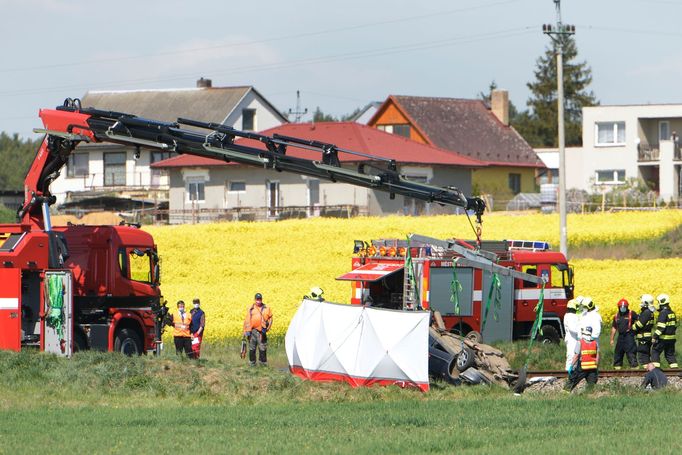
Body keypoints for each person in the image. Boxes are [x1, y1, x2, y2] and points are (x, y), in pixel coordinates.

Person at [565, 326, 599, 392]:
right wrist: (597, 367)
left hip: (582, 367)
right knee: (591, 385)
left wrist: (571, 366)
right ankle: (588, 395)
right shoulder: (595, 343)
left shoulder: (580, 342)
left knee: (572, 380)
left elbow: (576, 356)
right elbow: (597, 357)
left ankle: (565, 392)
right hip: (592, 368)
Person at [243, 292, 273, 366]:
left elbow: (271, 318)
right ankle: (252, 364)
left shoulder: (267, 308)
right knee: (252, 348)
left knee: (262, 348)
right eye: (257, 299)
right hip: (252, 331)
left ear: (261, 299)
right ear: (255, 299)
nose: (258, 301)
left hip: (262, 332)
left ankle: (263, 364)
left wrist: (268, 328)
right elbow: (247, 320)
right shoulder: (251, 308)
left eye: (260, 299)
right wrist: (245, 331)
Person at [610, 298, 638, 369]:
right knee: (618, 353)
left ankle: (634, 368)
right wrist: (612, 339)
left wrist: (636, 332)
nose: (622, 308)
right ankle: (617, 369)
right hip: (620, 337)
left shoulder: (632, 313)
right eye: (621, 307)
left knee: (631, 352)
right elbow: (614, 328)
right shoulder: (616, 316)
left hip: (629, 336)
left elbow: (639, 322)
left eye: (624, 307)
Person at [651, 293, 678, 369]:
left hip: (663, 338)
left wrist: (654, 337)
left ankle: (656, 371)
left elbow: (661, 328)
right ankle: (675, 371)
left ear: (661, 302)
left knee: (655, 352)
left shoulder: (663, 313)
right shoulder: (672, 313)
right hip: (672, 338)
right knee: (670, 355)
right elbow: (675, 326)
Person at [632, 294, 656, 367]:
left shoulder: (646, 313)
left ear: (646, 303)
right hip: (646, 337)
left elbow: (639, 325)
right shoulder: (649, 312)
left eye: (642, 302)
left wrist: (631, 327)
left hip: (643, 338)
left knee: (643, 356)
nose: (641, 303)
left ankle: (647, 371)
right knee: (646, 356)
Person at [563, 298, 581, 371]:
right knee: (571, 355)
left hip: (574, 338)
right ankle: (568, 371)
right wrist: (581, 331)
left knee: (576, 355)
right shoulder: (570, 316)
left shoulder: (570, 315)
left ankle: (574, 370)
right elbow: (573, 328)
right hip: (572, 339)